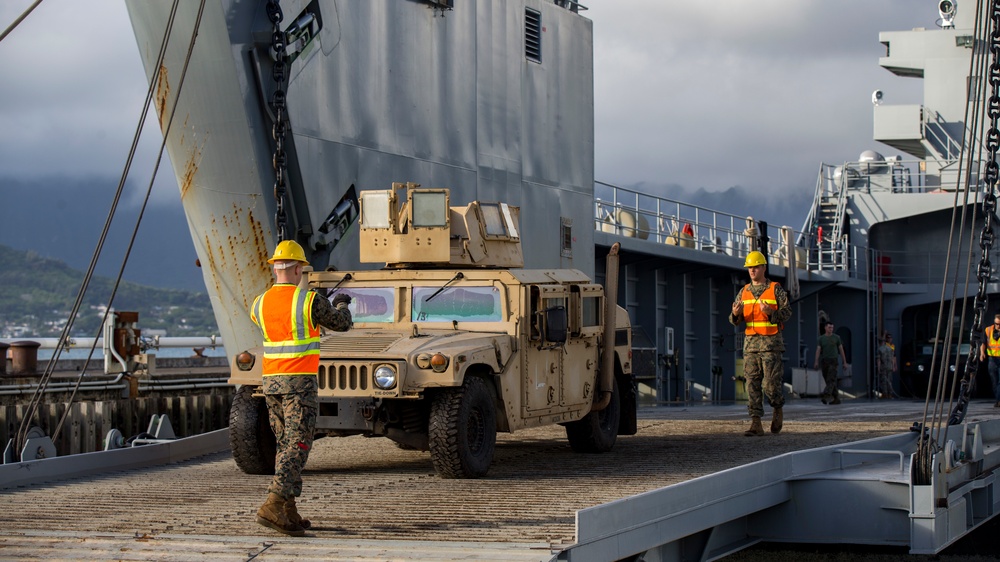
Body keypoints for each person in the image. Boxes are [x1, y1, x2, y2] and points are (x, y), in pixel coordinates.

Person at [250, 240, 352, 536]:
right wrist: (343, 302)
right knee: (299, 444)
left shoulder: (260, 303)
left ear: (275, 268)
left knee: (284, 444)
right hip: (299, 384)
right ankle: (274, 502)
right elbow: (342, 324)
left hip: (271, 383)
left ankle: (288, 511)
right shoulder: (308, 301)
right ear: (297, 268)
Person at [730, 250, 792, 436]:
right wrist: (735, 313)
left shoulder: (775, 289)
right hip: (751, 346)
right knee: (752, 384)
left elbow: (787, 312)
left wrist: (771, 312)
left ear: (763, 267)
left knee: (770, 384)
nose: (752, 270)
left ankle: (777, 409)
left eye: (755, 267)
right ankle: (756, 423)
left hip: (771, 344)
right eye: (749, 268)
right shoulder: (744, 291)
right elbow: (735, 319)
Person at [814, 321, 849, 404]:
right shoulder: (821, 339)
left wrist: (844, 362)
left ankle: (826, 395)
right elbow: (818, 350)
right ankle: (836, 398)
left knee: (831, 378)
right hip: (824, 361)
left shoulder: (837, 338)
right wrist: (816, 361)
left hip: (833, 361)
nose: (831, 329)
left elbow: (841, 350)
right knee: (828, 379)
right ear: (825, 328)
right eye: (829, 327)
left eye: (832, 328)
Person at [979, 313, 1000, 408]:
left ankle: (999, 400)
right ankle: (998, 399)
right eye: (997, 324)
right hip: (992, 359)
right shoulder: (988, 330)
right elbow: (983, 343)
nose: (998, 326)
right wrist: (982, 353)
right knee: (994, 381)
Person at [876, 332, 896, 399]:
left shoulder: (880, 349)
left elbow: (879, 360)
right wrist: (893, 366)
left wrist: (878, 369)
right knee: (889, 381)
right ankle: (890, 394)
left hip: (883, 367)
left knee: (884, 381)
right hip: (890, 367)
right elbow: (893, 358)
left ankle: (885, 394)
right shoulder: (890, 348)